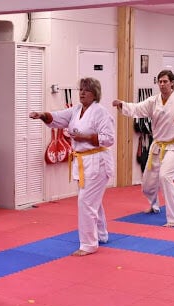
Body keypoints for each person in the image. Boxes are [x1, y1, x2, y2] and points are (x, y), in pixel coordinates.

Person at [29, 77, 114, 256]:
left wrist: (86, 138)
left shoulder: (101, 112)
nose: (82, 93)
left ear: (95, 94)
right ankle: (101, 234)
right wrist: (43, 115)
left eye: (86, 90)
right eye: (81, 89)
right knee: (93, 202)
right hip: (83, 162)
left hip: (97, 161)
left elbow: (109, 138)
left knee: (86, 202)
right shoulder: (76, 110)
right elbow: (59, 117)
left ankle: (89, 244)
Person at [112, 69, 174, 227]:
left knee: (165, 177)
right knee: (147, 183)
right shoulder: (153, 101)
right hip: (158, 145)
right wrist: (122, 105)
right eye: (160, 81)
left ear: (172, 83)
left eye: (165, 81)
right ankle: (154, 204)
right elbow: (137, 108)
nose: (162, 84)